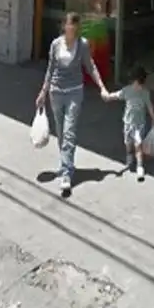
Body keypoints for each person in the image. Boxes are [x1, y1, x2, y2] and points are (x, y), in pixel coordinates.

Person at [36, 11, 109, 196]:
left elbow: (90, 66)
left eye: (75, 27)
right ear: (64, 26)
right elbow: (50, 69)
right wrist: (43, 91)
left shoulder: (82, 45)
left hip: (75, 92)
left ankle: (67, 173)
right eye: (70, 25)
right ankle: (65, 163)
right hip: (56, 92)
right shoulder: (55, 44)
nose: (72, 29)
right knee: (61, 131)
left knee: (69, 131)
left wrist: (101, 87)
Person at [103, 65, 154, 182]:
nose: (139, 84)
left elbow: (149, 106)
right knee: (128, 143)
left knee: (138, 144)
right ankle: (129, 155)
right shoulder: (127, 90)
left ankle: (140, 166)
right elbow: (116, 95)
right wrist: (108, 96)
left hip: (139, 124)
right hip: (128, 123)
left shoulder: (144, 92)